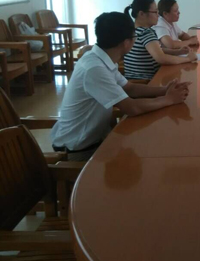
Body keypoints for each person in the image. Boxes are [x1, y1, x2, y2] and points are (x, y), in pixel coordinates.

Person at [51, 12, 192, 161]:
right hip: (79, 148)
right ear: (126, 42)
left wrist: (164, 90)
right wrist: (169, 99)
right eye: (134, 37)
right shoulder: (94, 69)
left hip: (97, 137)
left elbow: (130, 88)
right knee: (152, 148)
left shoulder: (101, 58)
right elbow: (131, 107)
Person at [123, 0, 197, 80]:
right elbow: (161, 58)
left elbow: (156, 50)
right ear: (141, 14)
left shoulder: (133, 30)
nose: (158, 15)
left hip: (136, 80)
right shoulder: (146, 33)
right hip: (147, 81)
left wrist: (177, 52)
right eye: (155, 12)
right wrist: (188, 58)